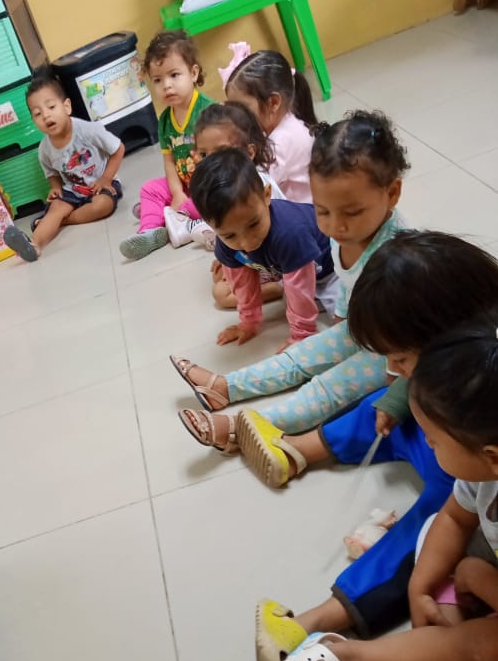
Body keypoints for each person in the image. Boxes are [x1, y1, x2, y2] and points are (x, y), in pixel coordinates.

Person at [254, 232, 498, 661]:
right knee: (383, 406)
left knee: (432, 517)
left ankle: (329, 616)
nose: (393, 368)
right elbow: (455, 519)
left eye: (401, 358)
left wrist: (472, 578)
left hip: (464, 459)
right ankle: (298, 449)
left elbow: (453, 517)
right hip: (461, 447)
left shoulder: (475, 452)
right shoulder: (464, 362)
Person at [270, 319, 498, 661]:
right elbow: (453, 518)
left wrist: (479, 579)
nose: (427, 446)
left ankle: (354, 657)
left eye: (433, 441)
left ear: (491, 455)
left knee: (481, 646)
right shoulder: (482, 471)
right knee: (434, 539)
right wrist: (420, 586)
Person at [171, 110, 410, 480]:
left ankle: (239, 428)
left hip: (399, 348)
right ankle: (225, 387)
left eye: (351, 211)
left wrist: (398, 382)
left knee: (327, 388)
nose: (335, 225)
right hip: (364, 325)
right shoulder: (340, 235)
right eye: (323, 210)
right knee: (300, 356)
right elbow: (348, 283)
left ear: (391, 193)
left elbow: (412, 332)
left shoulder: (397, 256)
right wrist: (342, 322)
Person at [188, 149, 338, 356]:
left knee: (350, 322)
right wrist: (248, 323)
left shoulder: (289, 232)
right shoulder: (226, 243)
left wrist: (302, 334)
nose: (246, 243)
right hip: (289, 272)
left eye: (253, 225)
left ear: (267, 195)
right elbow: (242, 284)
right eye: (230, 235)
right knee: (223, 289)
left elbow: (299, 287)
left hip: (332, 270)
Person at [3, 67, 125, 262]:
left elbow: (118, 149)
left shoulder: (88, 130)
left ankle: (61, 222)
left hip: (100, 183)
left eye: (51, 107)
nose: (46, 116)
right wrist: (55, 187)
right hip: (73, 190)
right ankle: (34, 244)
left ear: (66, 106)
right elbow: (51, 172)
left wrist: (106, 178)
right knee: (56, 208)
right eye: (38, 113)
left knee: (103, 205)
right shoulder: (45, 148)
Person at [118, 30, 213, 261]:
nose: (166, 85)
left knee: (212, 201)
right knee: (149, 189)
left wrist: (187, 197)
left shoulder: (207, 111)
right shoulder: (164, 121)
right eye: (158, 80)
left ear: (193, 73)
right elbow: (169, 161)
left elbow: (221, 161)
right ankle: (150, 231)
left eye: (174, 75)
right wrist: (177, 192)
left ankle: (172, 216)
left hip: (210, 186)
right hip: (185, 185)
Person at [191, 103, 285, 310]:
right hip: (251, 249)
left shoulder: (254, 186)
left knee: (221, 294)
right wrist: (227, 254)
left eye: (222, 152)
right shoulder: (217, 186)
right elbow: (230, 226)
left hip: (276, 256)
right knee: (219, 275)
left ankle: (280, 287)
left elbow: (277, 232)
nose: (213, 162)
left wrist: (240, 260)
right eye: (204, 155)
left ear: (249, 152)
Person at [225, 50, 317, 202]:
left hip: (304, 212)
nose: (236, 116)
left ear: (273, 102)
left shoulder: (283, 140)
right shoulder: (279, 122)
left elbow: (249, 187)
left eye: (242, 108)